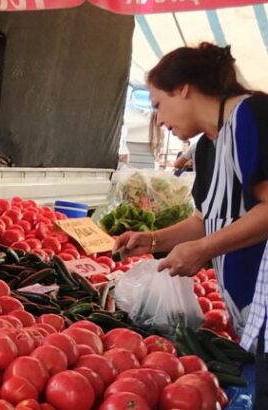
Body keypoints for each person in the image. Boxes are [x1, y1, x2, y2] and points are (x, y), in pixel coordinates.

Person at [114, 43, 268, 406]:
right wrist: (151, 240)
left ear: (183, 87)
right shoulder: (206, 148)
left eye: (157, 105)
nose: (159, 119)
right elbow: (205, 220)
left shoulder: (252, 115)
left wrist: (204, 250)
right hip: (250, 316)